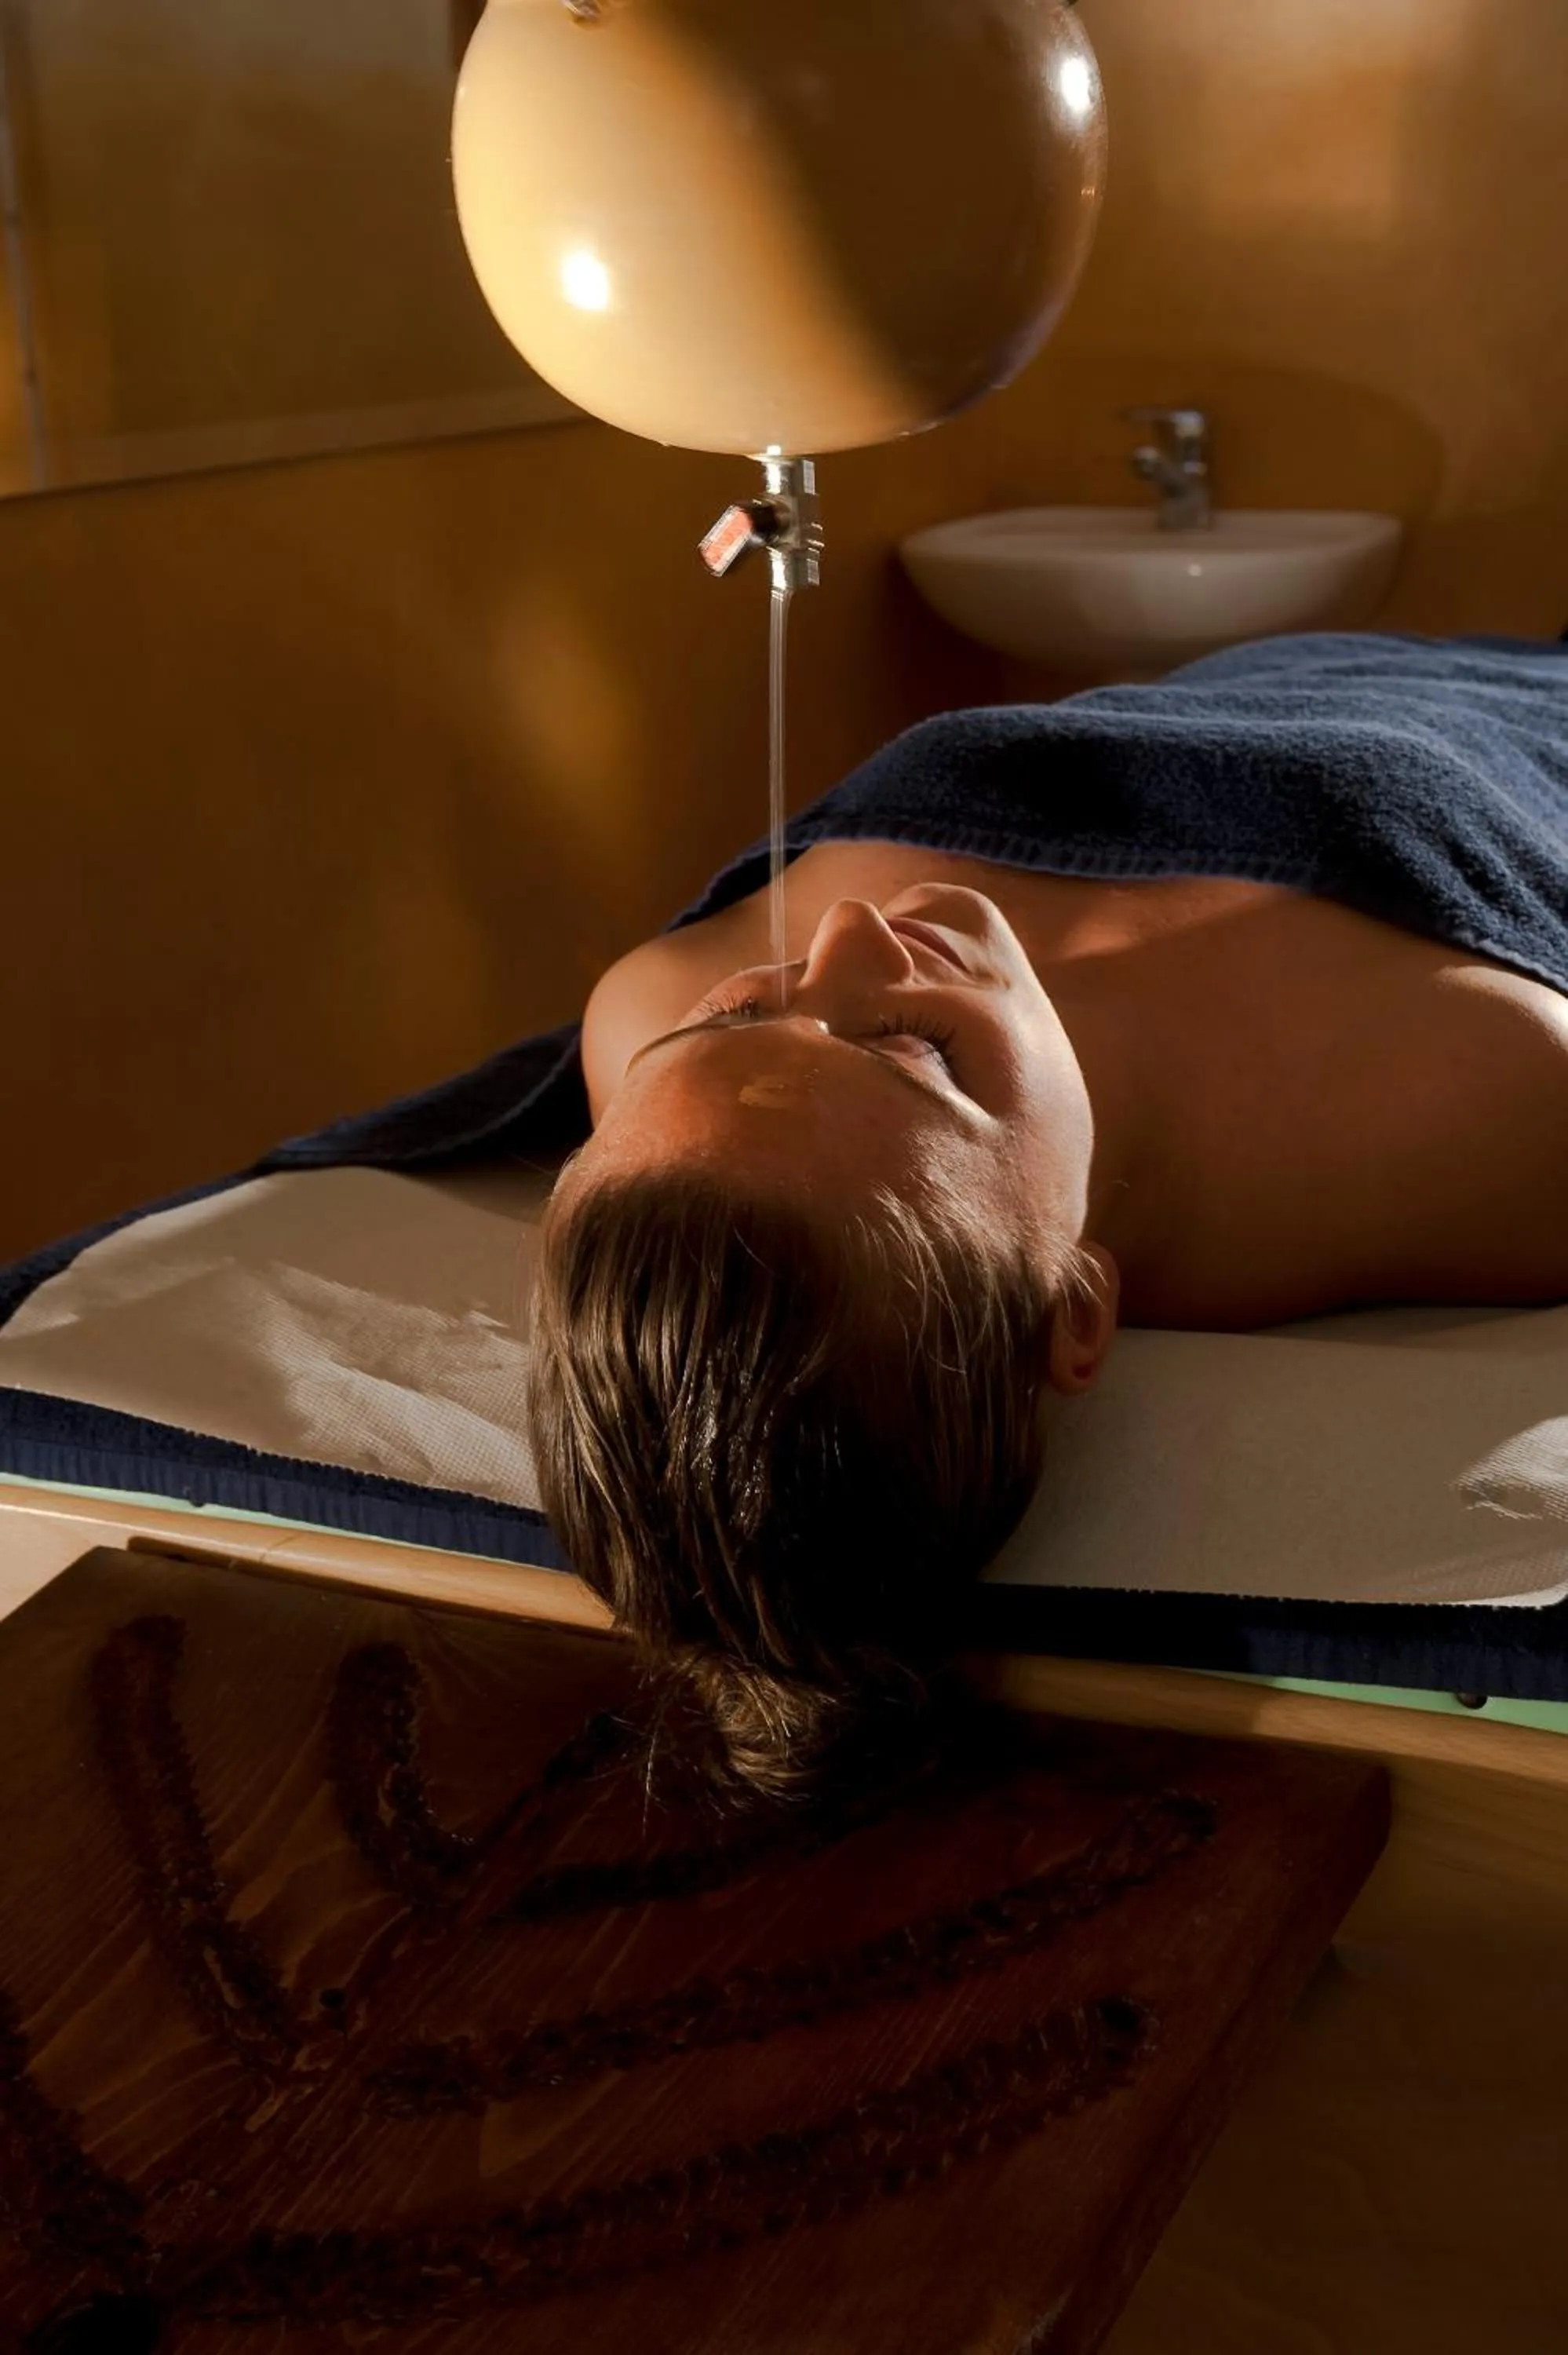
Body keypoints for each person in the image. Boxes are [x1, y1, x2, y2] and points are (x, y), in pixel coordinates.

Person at [528, 630, 1568, 1802]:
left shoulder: (642, 1020)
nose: (848, 931)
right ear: (1074, 1308)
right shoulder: (1469, 1106)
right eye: (916, 1051)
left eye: (732, 1017)